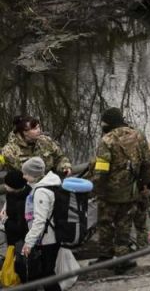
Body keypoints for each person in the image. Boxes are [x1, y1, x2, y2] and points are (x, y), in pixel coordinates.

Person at [91, 107, 150, 270]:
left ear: (108, 123)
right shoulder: (138, 135)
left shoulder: (107, 141)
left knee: (105, 223)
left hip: (110, 193)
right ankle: (123, 258)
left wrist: (96, 189)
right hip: (132, 189)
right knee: (124, 225)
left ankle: (106, 257)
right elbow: (147, 163)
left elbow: (101, 169)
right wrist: (143, 184)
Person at [18, 158, 61, 290]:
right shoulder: (52, 182)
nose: (24, 176)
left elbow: (40, 220)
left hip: (48, 238)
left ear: (34, 174)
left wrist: (29, 243)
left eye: (26, 173)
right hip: (54, 234)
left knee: (47, 274)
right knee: (47, 273)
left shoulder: (41, 192)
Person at [0, 116, 70, 177]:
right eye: (35, 129)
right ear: (25, 132)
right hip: (26, 188)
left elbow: (59, 157)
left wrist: (65, 167)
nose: (39, 130)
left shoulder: (45, 141)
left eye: (39, 127)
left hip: (49, 181)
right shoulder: (9, 150)